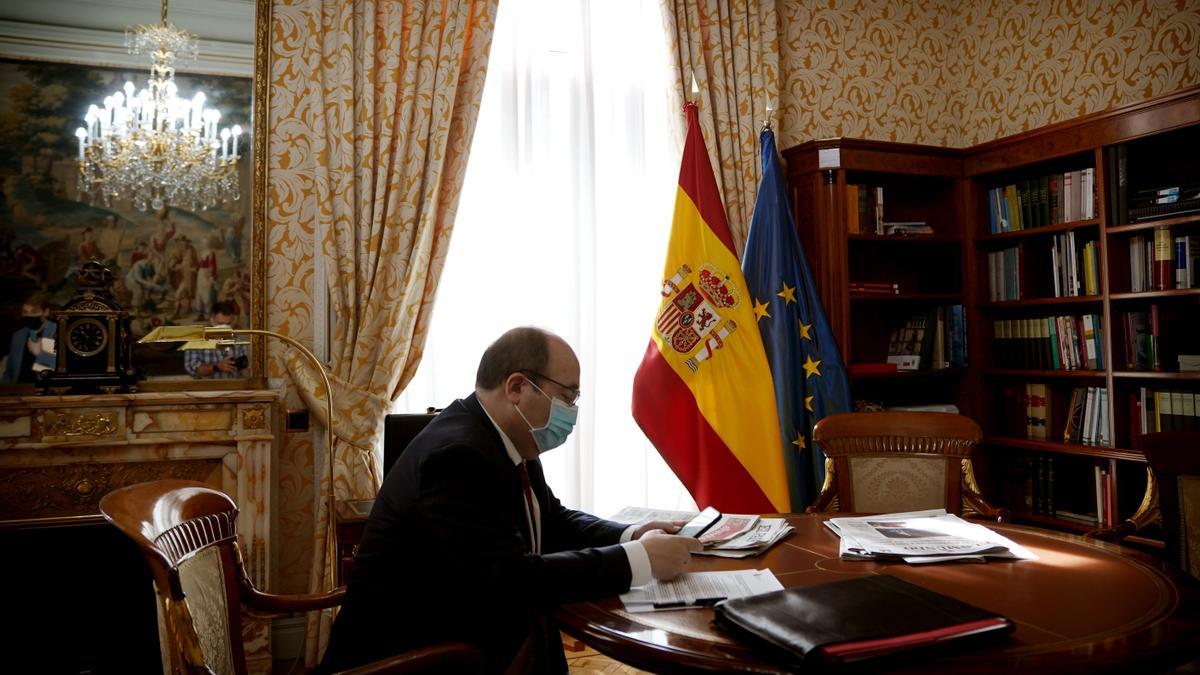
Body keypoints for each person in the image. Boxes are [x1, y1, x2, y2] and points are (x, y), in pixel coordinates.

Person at [319, 327, 700, 674]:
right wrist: (640, 561)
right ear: (517, 387)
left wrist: (632, 535)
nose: (573, 411)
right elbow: (513, 581)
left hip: (478, 639)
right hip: (417, 659)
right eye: (568, 395)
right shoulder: (457, 456)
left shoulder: (509, 440)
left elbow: (552, 520)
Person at [183, 302, 248, 379]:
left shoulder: (238, 341)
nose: (224, 327)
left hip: (233, 388)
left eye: (228, 324)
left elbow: (245, 370)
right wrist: (217, 367)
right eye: (220, 323)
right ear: (211, 319)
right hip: (207, 389)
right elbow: (193, 369)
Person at [2, 293, 57, 384]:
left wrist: (39, 353)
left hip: (45, 391)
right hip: (19, 390)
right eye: (25, 312)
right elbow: (9, 371)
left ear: (46, 312)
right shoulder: (18, 335)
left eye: (34, 312)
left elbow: (63, 370)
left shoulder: (58, 332)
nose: (29, 316)